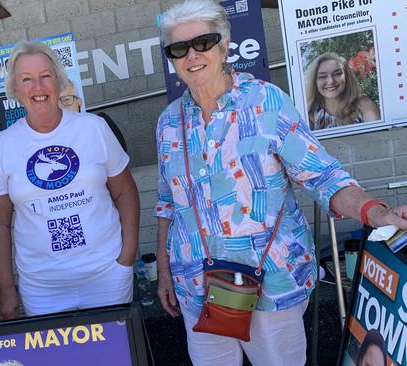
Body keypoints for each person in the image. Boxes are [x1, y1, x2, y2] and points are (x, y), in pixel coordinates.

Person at [156, 1, 407, 365]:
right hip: (198, 289)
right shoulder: (168, 122)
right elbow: (167, 203)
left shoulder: (265, 102)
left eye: (204, 42)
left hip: (271, 286)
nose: (192, 55)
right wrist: (164, 272)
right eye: (179, 48)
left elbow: (322, 174)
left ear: (225, 46)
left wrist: (375, 212)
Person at [0, 41, 140, 319]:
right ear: (16, 90)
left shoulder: (93, 128)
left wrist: (126, 257)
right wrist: (6, 287)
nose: (38, 87)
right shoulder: (2, 145)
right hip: (43, 288)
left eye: (46, 76)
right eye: (27, 80)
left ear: (59, 80)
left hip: (106, 276)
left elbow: (125, 191)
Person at [305, 52, 380, 130]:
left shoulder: (364, 105)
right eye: (322, 76)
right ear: (315, 82)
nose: (331, 81)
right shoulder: (310, 114)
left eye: (337, 74)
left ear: (346, 77)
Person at [58, 78, 127, 152]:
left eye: (67, 100)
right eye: (54, 102)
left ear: (79, 102)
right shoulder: (45, 139)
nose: (61, 107)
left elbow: (120, 160)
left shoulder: (99, 127)